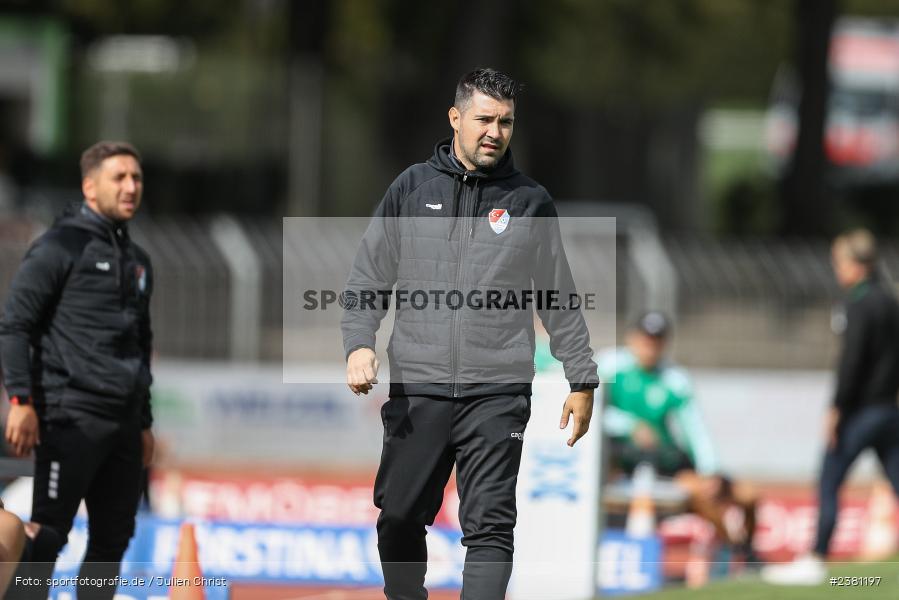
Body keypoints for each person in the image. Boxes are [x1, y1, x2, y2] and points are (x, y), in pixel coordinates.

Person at [341, 68, 598, 600]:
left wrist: (582, 378)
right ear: (456, 118)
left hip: (498, 390)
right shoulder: (411, 188)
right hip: (420, 386)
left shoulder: (530, 200)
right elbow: (368, 279)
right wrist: (359, 344)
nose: (495, 132)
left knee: (490, 526)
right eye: (485, 119)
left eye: (506, 122)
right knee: (399, 517)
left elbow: (558, 296)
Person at [0, 141, 154, 599]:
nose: (131, 187)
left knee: (113, 540)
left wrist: (143, 422)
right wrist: (21, 400)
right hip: (70, 416)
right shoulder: (58, 247)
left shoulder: (138, 261)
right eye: (119, 178)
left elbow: (141, 346)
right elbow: (14, 325)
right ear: (90, 186)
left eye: (137, 178)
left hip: (124, 424)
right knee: (47, 535)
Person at [762, 229, 899, 585]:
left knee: (829, 480)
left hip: (861, 412)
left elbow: (852, 362)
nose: (836, 269)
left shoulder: (858, 302)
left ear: (856, 265)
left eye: (839, 261)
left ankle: (817, 557)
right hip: (890, 410)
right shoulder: (890, 301)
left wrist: (837, 409)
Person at [599, 312, 760, 559]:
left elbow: (696, 428)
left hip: (665, 461)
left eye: (657, 340)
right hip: (621, 465)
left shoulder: (674, 379)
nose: (650, 347)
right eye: (645, 339)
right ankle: (735, 551)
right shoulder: (608, 367)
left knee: (748, 495)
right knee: (699, 495)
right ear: (631, 338)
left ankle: (744, 549)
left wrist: (710, 470)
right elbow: (584, 408)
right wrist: (630, 425)